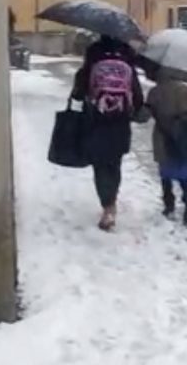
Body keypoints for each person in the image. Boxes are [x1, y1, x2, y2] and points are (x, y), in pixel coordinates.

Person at [71, 35, 144, 231]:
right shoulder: (127, 53)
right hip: (120, 120)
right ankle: (112, 203)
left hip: (96, 119)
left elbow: (79, 89)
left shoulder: (94, 51)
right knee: (114, 162)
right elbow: (136, 90)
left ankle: (107, 205)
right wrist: (136, 108)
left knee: (100, 164)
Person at [145, 67, 187, 226]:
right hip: (183, 135)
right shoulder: (185, 89)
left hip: (163, 136)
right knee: (184, 171)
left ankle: (169, 205)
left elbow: (145, 114)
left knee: (165, 173)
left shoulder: (155, 92)